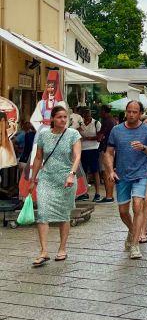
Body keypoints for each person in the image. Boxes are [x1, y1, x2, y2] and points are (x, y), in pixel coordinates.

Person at [105, 101, 147, 260]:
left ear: (140, 113)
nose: (131, 114)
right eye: (129, 111)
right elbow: (108, 153)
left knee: (137, 206)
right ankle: (132, 230)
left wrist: (143, 147)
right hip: (122, 175)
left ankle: (135, 245)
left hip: (141, 174)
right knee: (123, 211)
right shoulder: (117, 130)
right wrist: (110, 170)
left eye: (135, 112)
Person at [29, 105, 81, 266]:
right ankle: (44, 251)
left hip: (66, 178)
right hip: (46, 178)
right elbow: (38, 158)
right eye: (59, 117)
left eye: (65, 117)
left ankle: (62, 248)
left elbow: (77, 156)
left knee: (63, 215)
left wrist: (72, 174)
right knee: (43, 213)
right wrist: (33, 179)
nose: (63, 120)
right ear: (52, 119)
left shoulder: (73, 134)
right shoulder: (44, 135)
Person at [77, 107, 103, 203]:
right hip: (83, 150)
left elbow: (100, 137)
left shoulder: (96, 123)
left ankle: (97, 193)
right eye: (84, 115)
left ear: (90, 115)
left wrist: (88, 138)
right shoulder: (80, 124)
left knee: (95, 171)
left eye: (88, 114)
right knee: (84, 172)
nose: (86, 116)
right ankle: (84, 193)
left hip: (93, 149)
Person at [96, 104, 116, 202]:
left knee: (106, 172)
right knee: (108, 172)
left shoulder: (106, 121)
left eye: (101, 111)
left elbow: (100, 137)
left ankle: (108, 196)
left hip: (106, 149)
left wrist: (98, 136)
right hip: (111, 149)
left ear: (104, 111)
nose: (100, 113)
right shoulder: (112, 120)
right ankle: (109, 195)